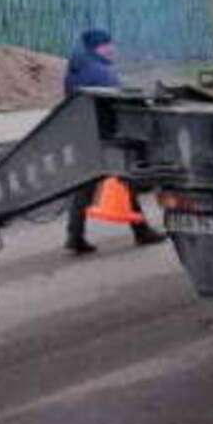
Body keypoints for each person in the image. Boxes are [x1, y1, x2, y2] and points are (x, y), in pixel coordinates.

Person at [62, 28, 165, 255]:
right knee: (125, 180)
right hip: (106, 134)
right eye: (108, 44)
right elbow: (118, 100)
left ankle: (75, 235)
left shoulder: (76, 68)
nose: (112, 48)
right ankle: (141, 231)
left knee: (85, 186)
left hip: (81, 132)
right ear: (98, 47)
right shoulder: (100, 71)